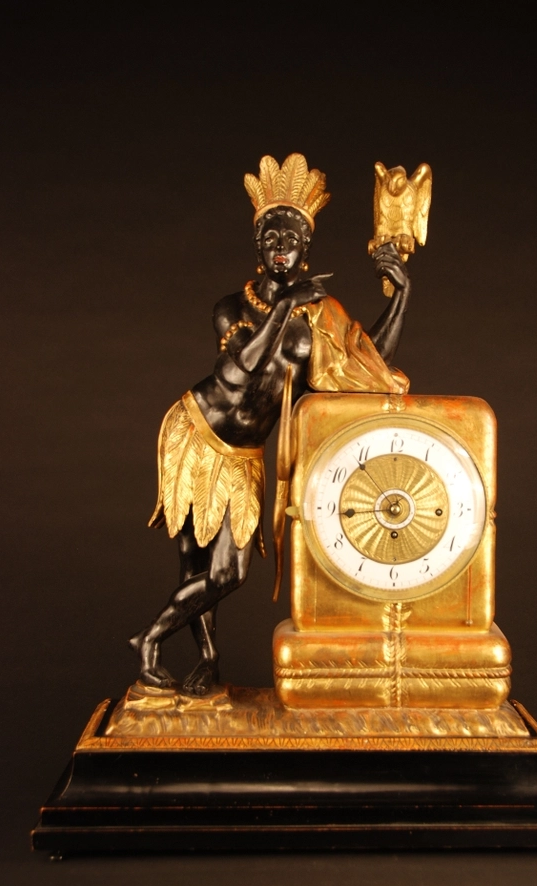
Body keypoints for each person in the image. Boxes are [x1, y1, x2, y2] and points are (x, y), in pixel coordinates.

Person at [129, 154, 412, 694]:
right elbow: (240, 367)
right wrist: (284, 308)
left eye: (292, 239)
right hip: (198, 430)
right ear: (258, 247)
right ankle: (205, 659)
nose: (281, 247)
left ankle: (148, 639)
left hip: (246, 452)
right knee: (194, 562)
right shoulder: (233, 306)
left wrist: (401, 296)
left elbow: (368, 366)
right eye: (271, 238)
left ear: (307, 249)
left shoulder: (321, 314)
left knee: (228, 573)